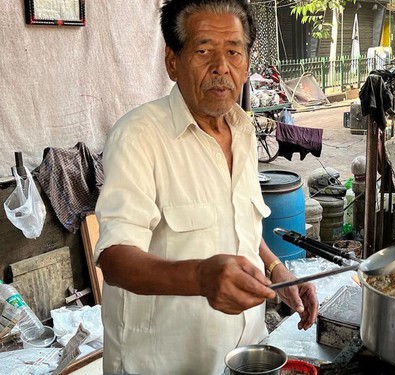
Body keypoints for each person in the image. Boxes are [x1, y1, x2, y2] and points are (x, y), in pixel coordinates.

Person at [93, 0, 318, 374]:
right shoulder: (138, 136)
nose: (221, 68)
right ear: (172, 62)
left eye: (233, 51)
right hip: (165, 362)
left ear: (247, 62)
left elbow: (238, 219)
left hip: (243, 352)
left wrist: (278, 269)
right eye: (203, 51)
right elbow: (114, 258)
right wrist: (200, 277)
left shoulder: (242, 129)